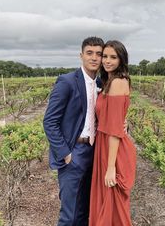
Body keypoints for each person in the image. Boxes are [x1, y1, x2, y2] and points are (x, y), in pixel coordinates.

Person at [43, 37, 104, 226]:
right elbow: (50, 121)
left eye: (99, 54)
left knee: (85, 209)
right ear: (81, 55)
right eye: (89, 53)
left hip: (94, 152)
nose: (94, 58)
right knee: (69, 213)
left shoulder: (102, 83)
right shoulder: (67, 82)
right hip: (74, 152)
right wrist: (66, 153)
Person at [89, 40, 136, 226]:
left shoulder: (117, 82)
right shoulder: (109, 81)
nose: (107, 61)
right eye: (105, 56)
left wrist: (111, 167)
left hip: (112, 148)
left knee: (113, 202)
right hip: (105, 143)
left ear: (121, 59)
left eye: (113, 57)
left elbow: (115, 129)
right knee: (106, 200)